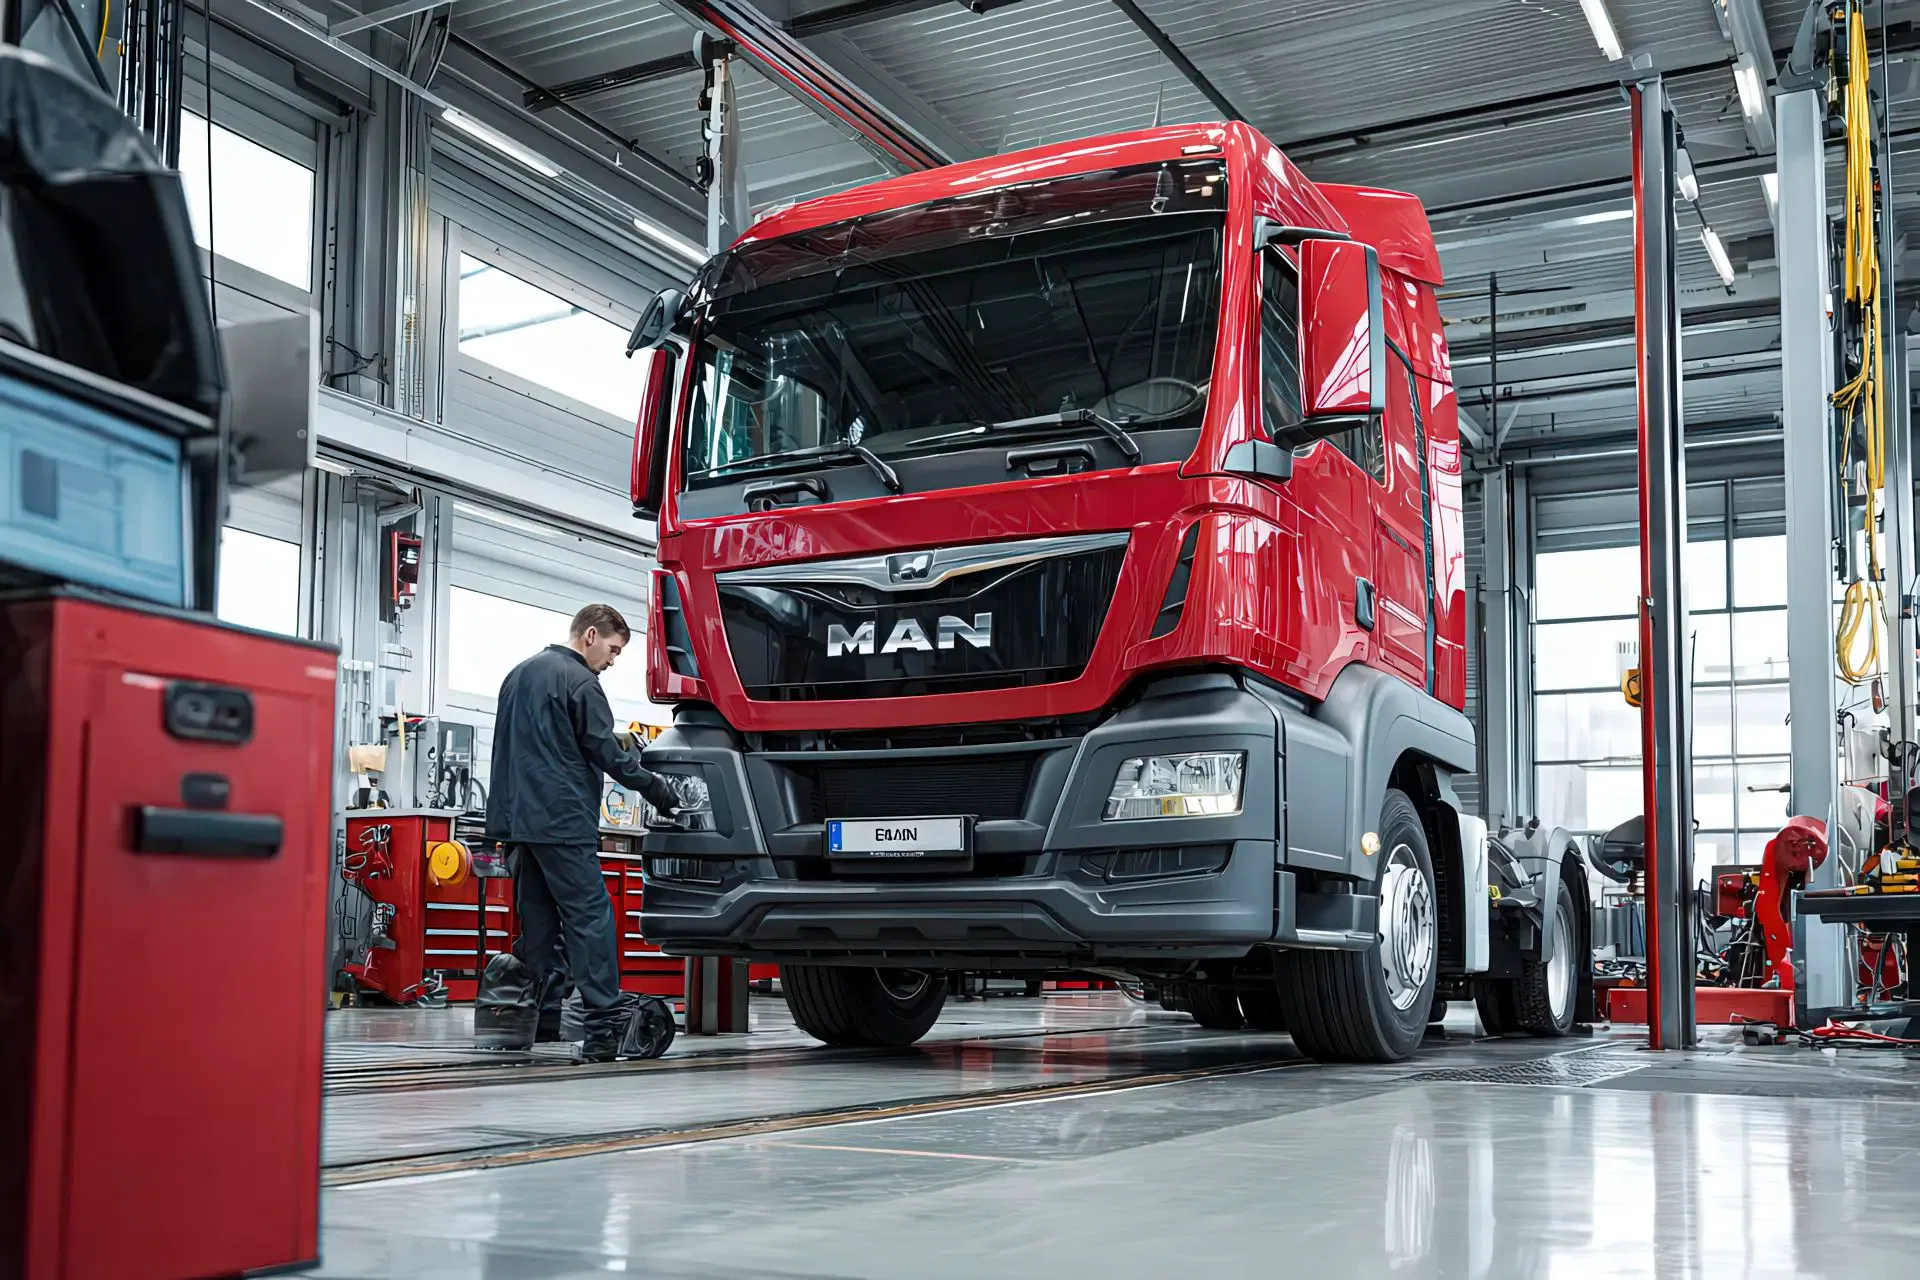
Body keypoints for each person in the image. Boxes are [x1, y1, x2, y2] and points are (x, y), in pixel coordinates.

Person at [474, 603, 683, 1061]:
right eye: (613, 649)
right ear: (590, 635)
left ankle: (537, 1022)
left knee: (540, 926)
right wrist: (660, 791)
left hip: (519, 825)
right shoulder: (580, 682)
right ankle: (604, 1028)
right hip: (563, 823)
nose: (612, 661)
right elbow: (607, 752)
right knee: (591, 919)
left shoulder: (517, 674)